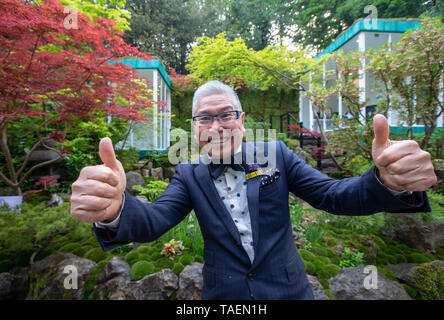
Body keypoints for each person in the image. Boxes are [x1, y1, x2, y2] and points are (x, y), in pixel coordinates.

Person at [70, 80, 437, 300]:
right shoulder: (188, 173)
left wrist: (385, 181)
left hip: (290, 292)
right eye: (204, 118)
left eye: (226, 114)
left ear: (242, 121)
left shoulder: (274, 154)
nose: (216, 126)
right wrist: (115, 208)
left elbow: (333, 196)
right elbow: (154, 221)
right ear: (194, 127)